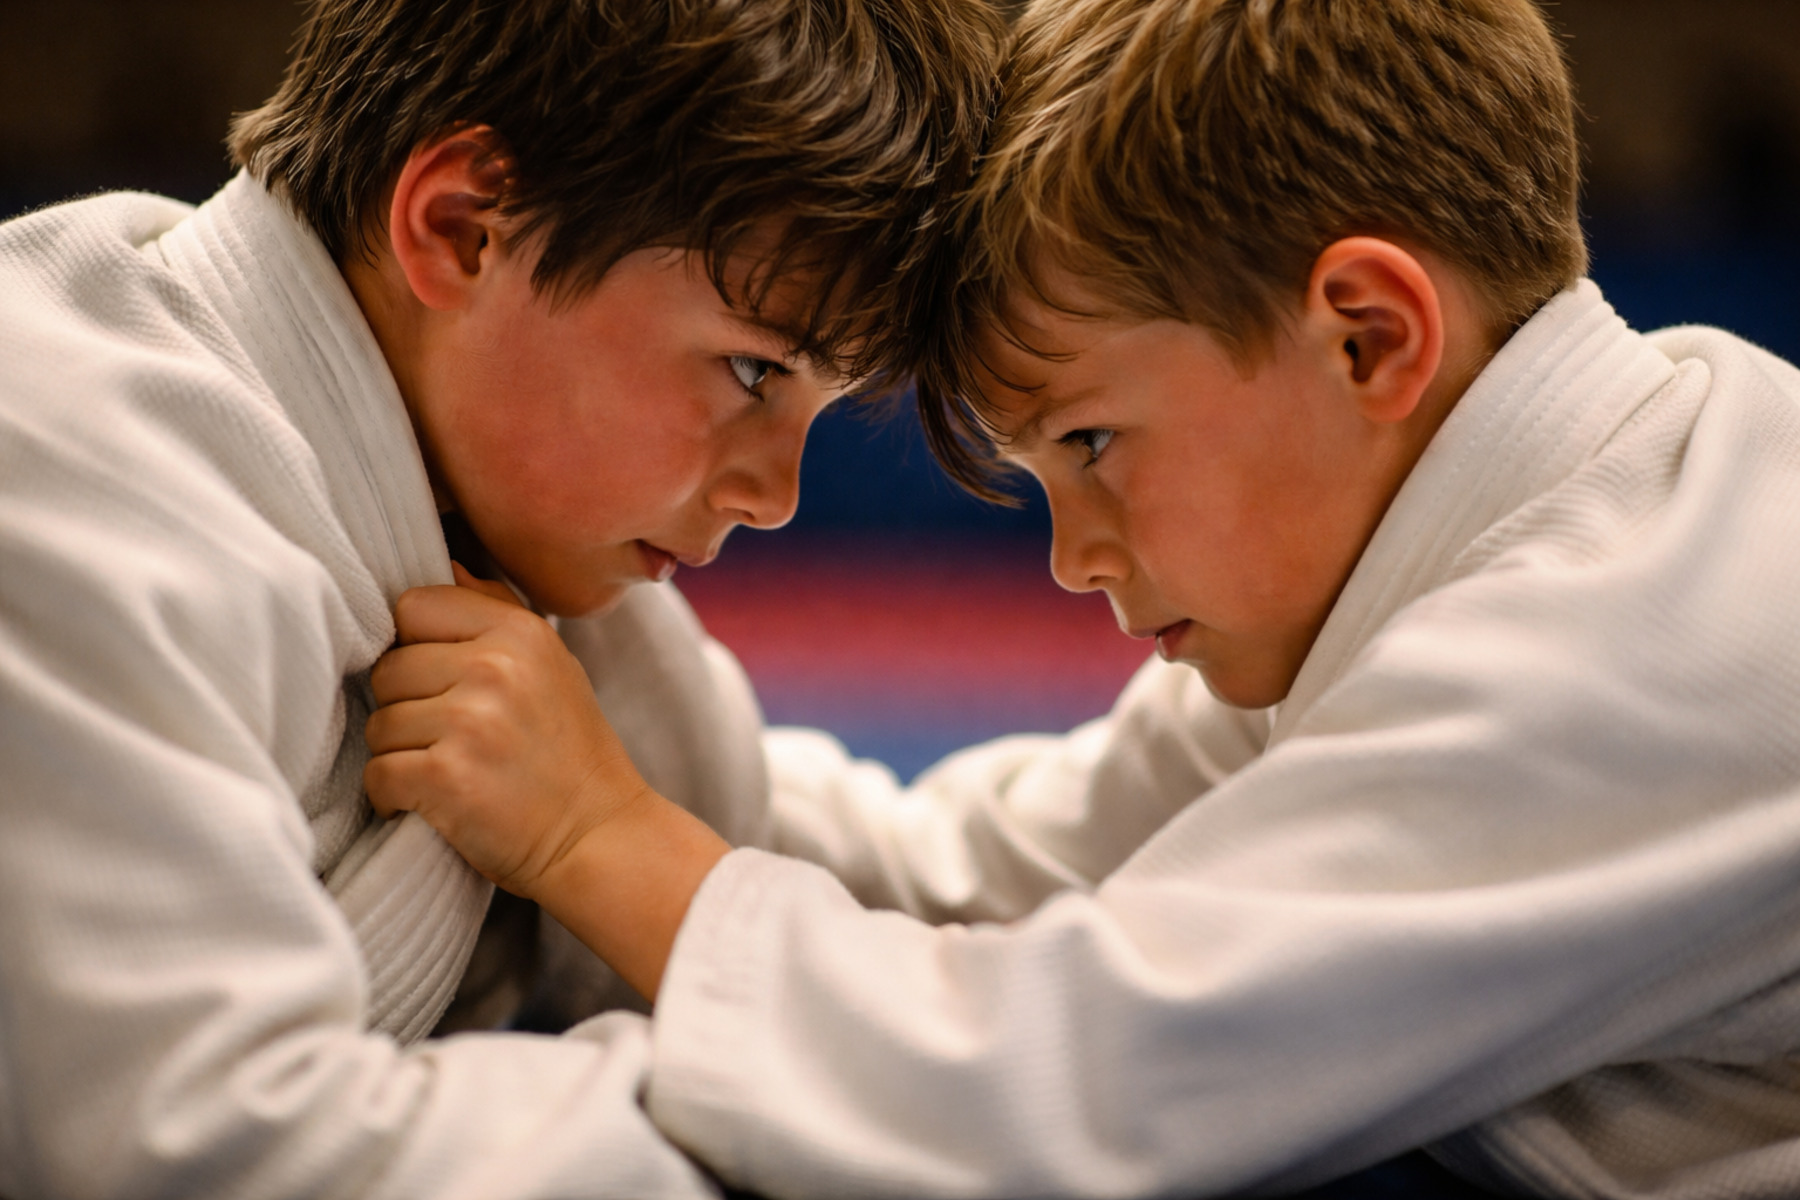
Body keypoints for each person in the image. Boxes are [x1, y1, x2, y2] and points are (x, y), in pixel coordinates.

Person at [367, 0, 1800, 1197]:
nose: (1072, 560)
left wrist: (590, 831)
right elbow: (970, 883)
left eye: (1094, 446)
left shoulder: (1638, 644)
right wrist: (580, 708)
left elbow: (1033, 1085)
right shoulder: (1469, 540)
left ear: (1367, 339)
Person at [0, 0, 1002, 1196]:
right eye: (752, 371)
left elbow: (873, 898)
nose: (777, 497)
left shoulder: (502, 540)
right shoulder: (69, 481)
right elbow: (208, 1150)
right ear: (464, 228)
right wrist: (801, 1094)